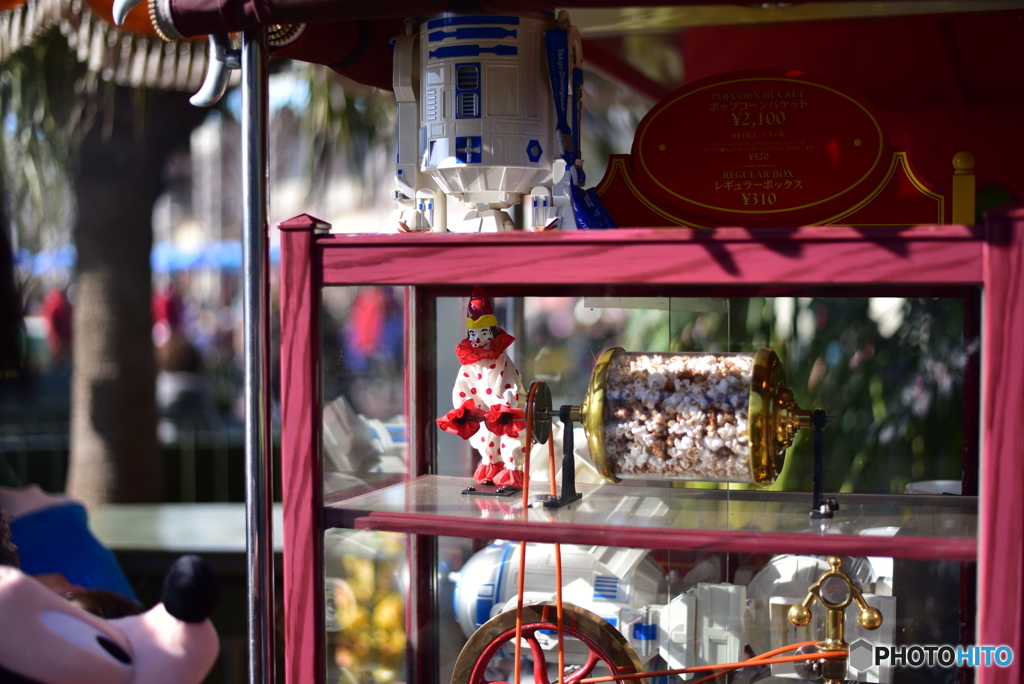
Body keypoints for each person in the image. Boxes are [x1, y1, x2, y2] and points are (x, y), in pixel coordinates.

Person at [436, 287, 527, 488]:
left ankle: (512, 470)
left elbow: (509, 380)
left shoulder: (501, 359)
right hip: (484, 410)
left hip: (503, 408)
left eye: (482, 333)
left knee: (510, 436)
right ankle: (491, 465)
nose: (477, 339)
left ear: (491, 332)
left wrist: (508, 400)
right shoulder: (471, 362)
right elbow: (465, 384)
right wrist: (464, 406)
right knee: (484, 436)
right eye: (473, 333)